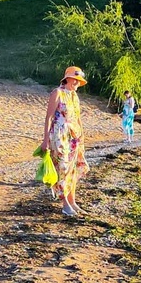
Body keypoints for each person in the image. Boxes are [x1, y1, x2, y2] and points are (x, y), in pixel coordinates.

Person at [42, 66, 89, 216]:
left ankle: (72, 201)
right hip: (59, 137)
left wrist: (82, 136)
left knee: (72, 169)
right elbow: (49, 117)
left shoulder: (74, 96)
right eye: (74, 79)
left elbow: (78, 118)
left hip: (74, 137)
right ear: (67, 78)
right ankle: (65, 204)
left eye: (79, 80)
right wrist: (45, 140)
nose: (77, 83)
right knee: (63, 168)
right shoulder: (57, 93)